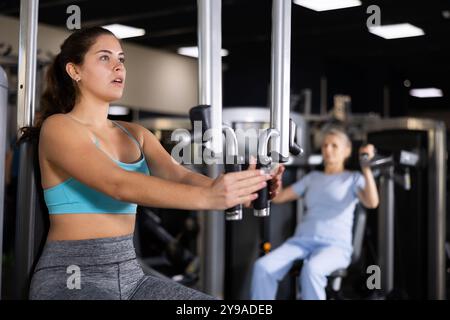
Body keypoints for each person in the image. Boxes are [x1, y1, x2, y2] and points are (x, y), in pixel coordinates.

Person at [17, 27, 283, 300]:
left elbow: (178, 176)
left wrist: (244, 191)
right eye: (105, 58)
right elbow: (117, 184)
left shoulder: (135, 134)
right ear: (75, 71)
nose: (118, 66)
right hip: (72, 276)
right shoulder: (59, 127)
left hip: (131, 277)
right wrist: (208, 197)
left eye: (121, 59)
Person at [250, 128, 379, 300]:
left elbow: (372, 202)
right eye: (325, 145)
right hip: (301, 242)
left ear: (347, 151)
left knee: (312, 269)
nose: (328, 149)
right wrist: (272, 174)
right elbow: (279, 197)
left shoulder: (353, 178)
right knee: (262, 267)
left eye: (334, 146)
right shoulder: (312, 178)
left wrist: (367, 169)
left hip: (335, 246)